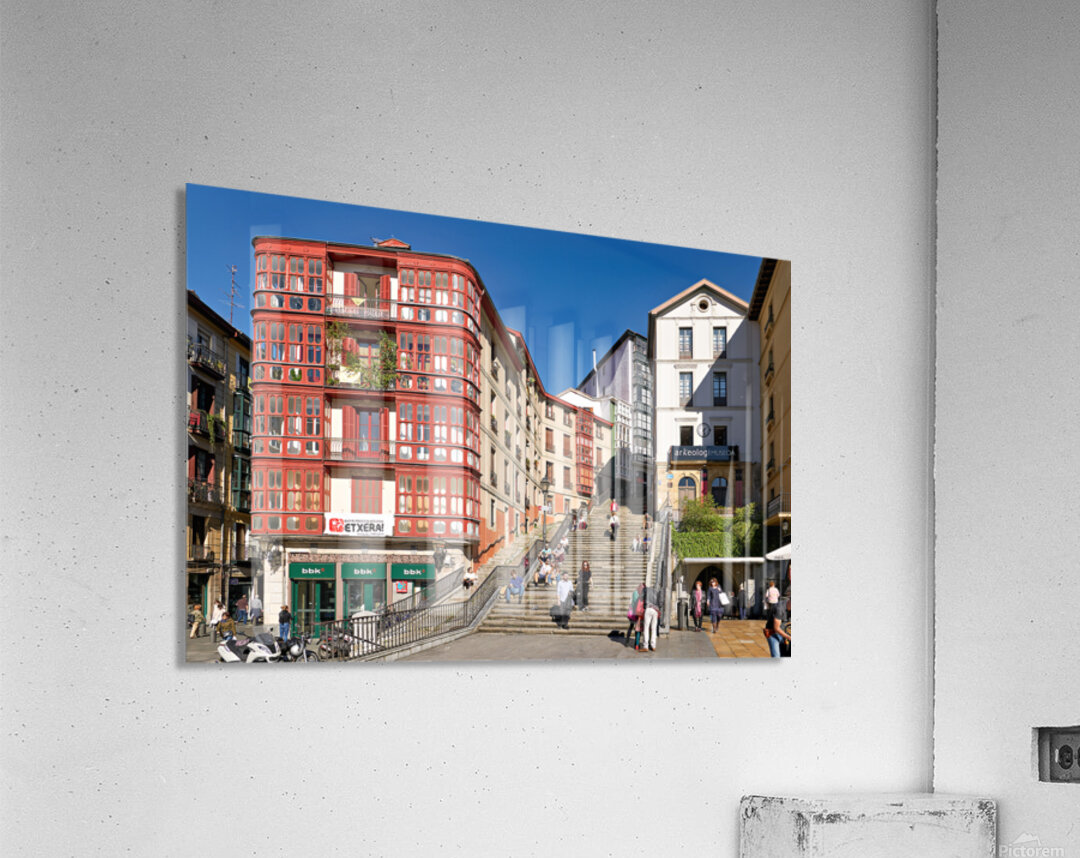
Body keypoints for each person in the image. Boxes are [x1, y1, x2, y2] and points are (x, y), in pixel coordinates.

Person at [641, 583, 660, 651]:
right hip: (655, 610)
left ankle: (645, 646)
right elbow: (660, 601)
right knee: (654, 628)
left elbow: (642, 598)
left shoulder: (646, 590)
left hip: (648, 608)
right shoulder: (658, 591)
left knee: (646, 627)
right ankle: (653, 645)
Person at [626, 583, 645, 648]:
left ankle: (628, 641)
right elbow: (636, 603)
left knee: (632, 627)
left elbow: (632, 602)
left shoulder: (635, 592)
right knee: (636, 628)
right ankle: (635, 643)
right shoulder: (638, 593)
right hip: (636, 613)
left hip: (633, 613)